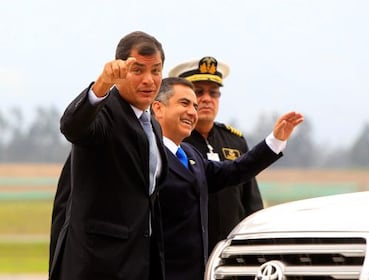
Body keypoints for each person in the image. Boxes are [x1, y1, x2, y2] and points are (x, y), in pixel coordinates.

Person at [151, 77, 304, 280]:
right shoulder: (148, 154)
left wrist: (275, 142)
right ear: (158, 108)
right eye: (184, 103)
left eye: (194, 106)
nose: (192, 112)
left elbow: (234, 171)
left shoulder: (190, 154)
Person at [48, 31, 169, 280]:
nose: (149, 80)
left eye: (156, 71)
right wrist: (101, 85)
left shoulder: (152, 125)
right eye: (138, 71)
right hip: (97, 264)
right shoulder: (104, 113)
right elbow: (72, 126)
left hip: (138, 262)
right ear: (121, 70)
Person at [169, 56, 264, 253]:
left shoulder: (234, 141)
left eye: (214, 93)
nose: (206, 99)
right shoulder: (177, 141)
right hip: (188, 252)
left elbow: (251, 203)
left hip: (233, 251)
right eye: (198, 92)